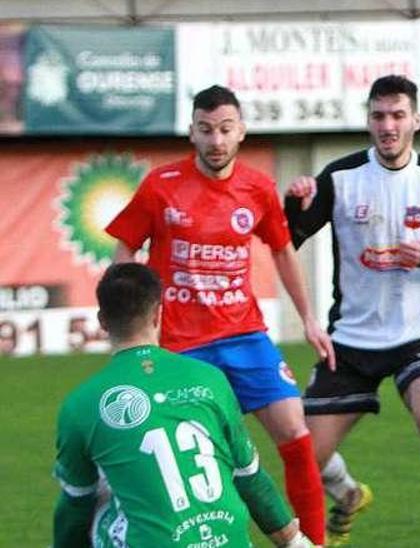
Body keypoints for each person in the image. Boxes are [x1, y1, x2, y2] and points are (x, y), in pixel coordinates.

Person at [105, 85, 332, 544]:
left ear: (241, 132)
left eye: (226, 129)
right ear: (191, 132)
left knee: (296, 433)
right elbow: (126, 244)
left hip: (244, 334)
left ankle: (313, 542)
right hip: (181, 343)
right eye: (206, 130)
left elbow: (283, 251)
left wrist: (308, 318)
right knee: (193, 457)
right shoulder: (161, 185)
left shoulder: (258, 188)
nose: (216, 140)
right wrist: (126, 312)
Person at [284, 75, 420, 548]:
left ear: (416, 120)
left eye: (398, 115)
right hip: (351, 341)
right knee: (306, 459)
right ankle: (350, 494)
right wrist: (293, 203)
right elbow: (289, 239)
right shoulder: (339, 178)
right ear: (368, 120)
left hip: (416, 335)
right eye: (379, 116)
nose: (388, 125)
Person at [53, 263, 314, 548]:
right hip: (229, 541)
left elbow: (75, 507)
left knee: (100, 497)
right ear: (157, 314)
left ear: (102, 321)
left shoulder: (80, 404)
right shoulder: (210, 378)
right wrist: (296, 542)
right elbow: (250, 479)